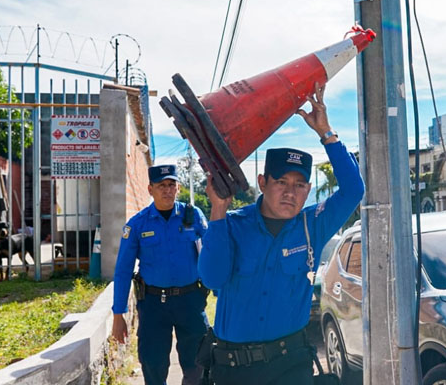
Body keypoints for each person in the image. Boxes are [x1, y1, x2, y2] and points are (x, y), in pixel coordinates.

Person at [199, 82, 364, 385]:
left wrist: (326, 133)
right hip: (233, 369)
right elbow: (212, 278)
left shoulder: (312, 224)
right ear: (262, 182)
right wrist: (218, 211)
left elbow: (354, 189)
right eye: (281, 182)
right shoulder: (232, 224)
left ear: (308, 190)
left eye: (299, 185)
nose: (290, 193)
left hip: (291, 366)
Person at [112, 164, 209, 385]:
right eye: (161, 185)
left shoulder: (193, 217)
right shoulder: (138, 224)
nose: (167, 190)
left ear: (178, 188)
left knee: (199, 365)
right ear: (150, 189)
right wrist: (119, 314)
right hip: (154, 304)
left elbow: (212, 254)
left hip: (190, 301)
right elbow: (123, 270)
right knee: (153, 365)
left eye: (171, 185)